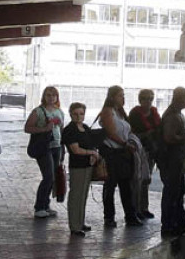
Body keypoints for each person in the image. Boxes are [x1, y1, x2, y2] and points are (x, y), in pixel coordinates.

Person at [99, 86, 142, 227]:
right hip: (111, 153)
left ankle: (130, 215)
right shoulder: (107, 111)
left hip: (123, 153)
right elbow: (111, 133)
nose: (122, 98)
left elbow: (127, 130)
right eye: (120, 96)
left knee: (126, 185)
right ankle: (109, 217)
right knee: (110, 185)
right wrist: (125, 143)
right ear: (112, 97)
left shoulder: (121, 113)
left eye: (123, 95)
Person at [24, 86, 65, 219]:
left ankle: (46, 205)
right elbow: (27, 128)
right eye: (48, 95)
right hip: (44, 147)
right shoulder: (38, 111)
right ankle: (39, 207)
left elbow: (61, 129)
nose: (51, 98)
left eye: (54, 95)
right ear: (44, 96)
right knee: (48, 176)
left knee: (53, 178)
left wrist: (63, 145)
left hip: (56, 146)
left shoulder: (59, 111)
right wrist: (44, 128)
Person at [159, 87, 185, 236]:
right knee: (171, 192)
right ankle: (168, 224)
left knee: (179, 191)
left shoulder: (178, 114)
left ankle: (180, 219)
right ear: (179, 98)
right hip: (171, 160)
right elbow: (169, 137)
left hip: (177, 160)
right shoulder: (172, 116)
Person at [62, 102, 101, 236]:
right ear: (71, 114)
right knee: (76, 196)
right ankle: (75, 226)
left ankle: (80, 221)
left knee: (83, 195)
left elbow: (92, 144)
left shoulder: (85, 127)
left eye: (81, 114)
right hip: (77, 166)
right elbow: (75, 150)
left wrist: (93, 154)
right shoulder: (70, 130)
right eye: (75, 114)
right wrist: (91, 153)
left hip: (87, 166)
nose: (79, 117)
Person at [128, 89, 161, 220]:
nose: (148, 101)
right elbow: (131, 133)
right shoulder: (135, 114)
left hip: (151, 150)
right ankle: (136, 208)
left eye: (150, 99)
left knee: (146, 180)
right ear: (140, 100)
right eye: (145, 98)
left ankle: (144, 207)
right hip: (139, 150)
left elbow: (160, 128)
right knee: (138, 180)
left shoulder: (154, 112)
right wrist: (146, 134)